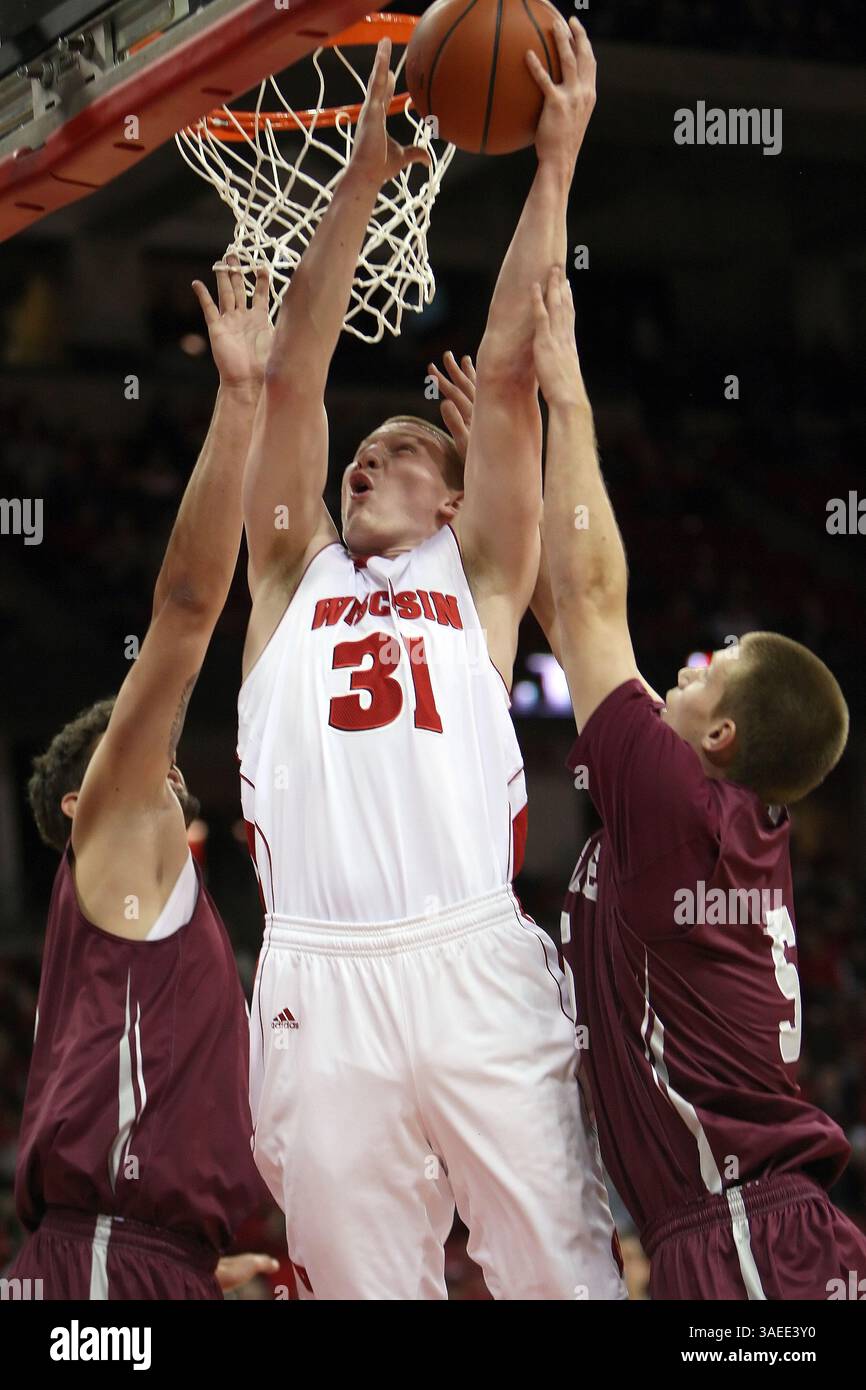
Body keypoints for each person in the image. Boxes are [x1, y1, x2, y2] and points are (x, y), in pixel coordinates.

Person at [237, 23, 625, 1299]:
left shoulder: (483, 575)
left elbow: (505, 373)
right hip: (316, 977)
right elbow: (291, 386)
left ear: (455, 499)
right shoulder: (288, 578)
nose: (365, 458)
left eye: (401, 448)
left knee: (563, 1276)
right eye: (361, 454)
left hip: (471, 956)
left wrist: (552, 161)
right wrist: (356, 186)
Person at [531, 261, 866, 1300]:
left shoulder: (679, 804)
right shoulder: (715, 815)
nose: (682, 667)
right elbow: (562, 610)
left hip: (745, 1238)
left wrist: (565, 392)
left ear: (718, 733)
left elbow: (590, 600)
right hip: (753, 1231)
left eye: (707, 667)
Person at [6, 262, 276, 1300]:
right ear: (88, 802)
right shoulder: (117, 827)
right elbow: (186, 607)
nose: (164, 764)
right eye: (138, 759)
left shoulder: (145, 917)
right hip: (108, 1263)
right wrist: (240, 402)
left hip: (140, 1260)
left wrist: (194, 1262)